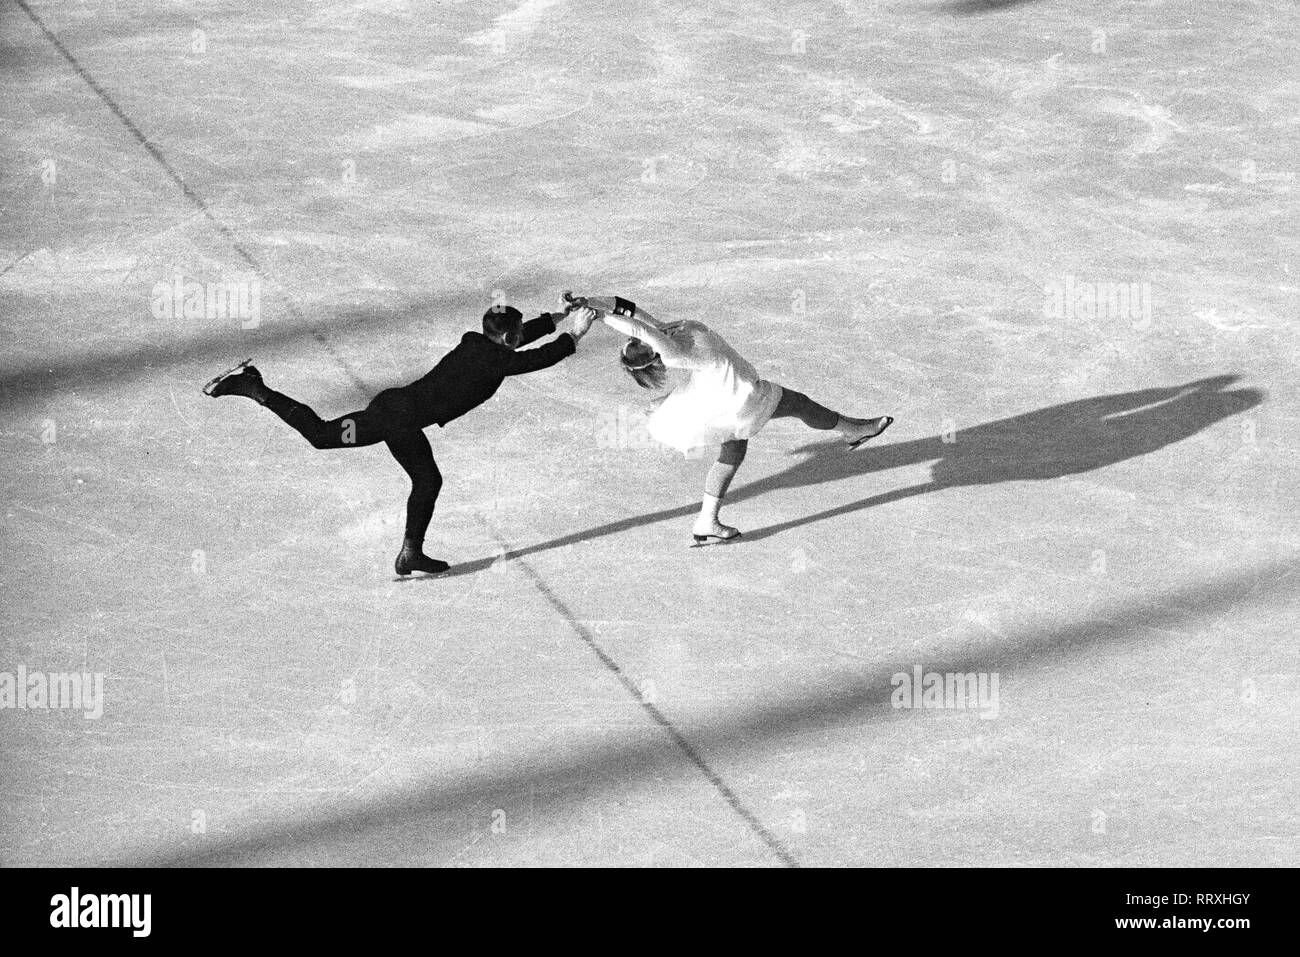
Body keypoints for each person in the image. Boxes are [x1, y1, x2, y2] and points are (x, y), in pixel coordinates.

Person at [202, 300, 599, 574]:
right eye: (516, 334)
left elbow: (519, 339)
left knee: (427, 480)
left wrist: (558, 316)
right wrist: (575, 335)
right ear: (506, 337)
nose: (516, 337)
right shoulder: (497, 361)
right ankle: (253, 386)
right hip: (394, 419)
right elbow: (534, 357)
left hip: (401, 415)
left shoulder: (478, 343)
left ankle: (411, 554)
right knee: (322, 436)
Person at [568, 293, 892, 545]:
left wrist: (589, 302)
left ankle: (706, 521)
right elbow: (636, 326)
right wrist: (599, 317)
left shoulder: (664, 332)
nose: (638, 335)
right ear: (651, 350)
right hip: (743, 397)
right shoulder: (671, 350)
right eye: (637, 340)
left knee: (733, 452)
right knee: (801, 405)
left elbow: (632, 312)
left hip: (720, 404)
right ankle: (855, 430)